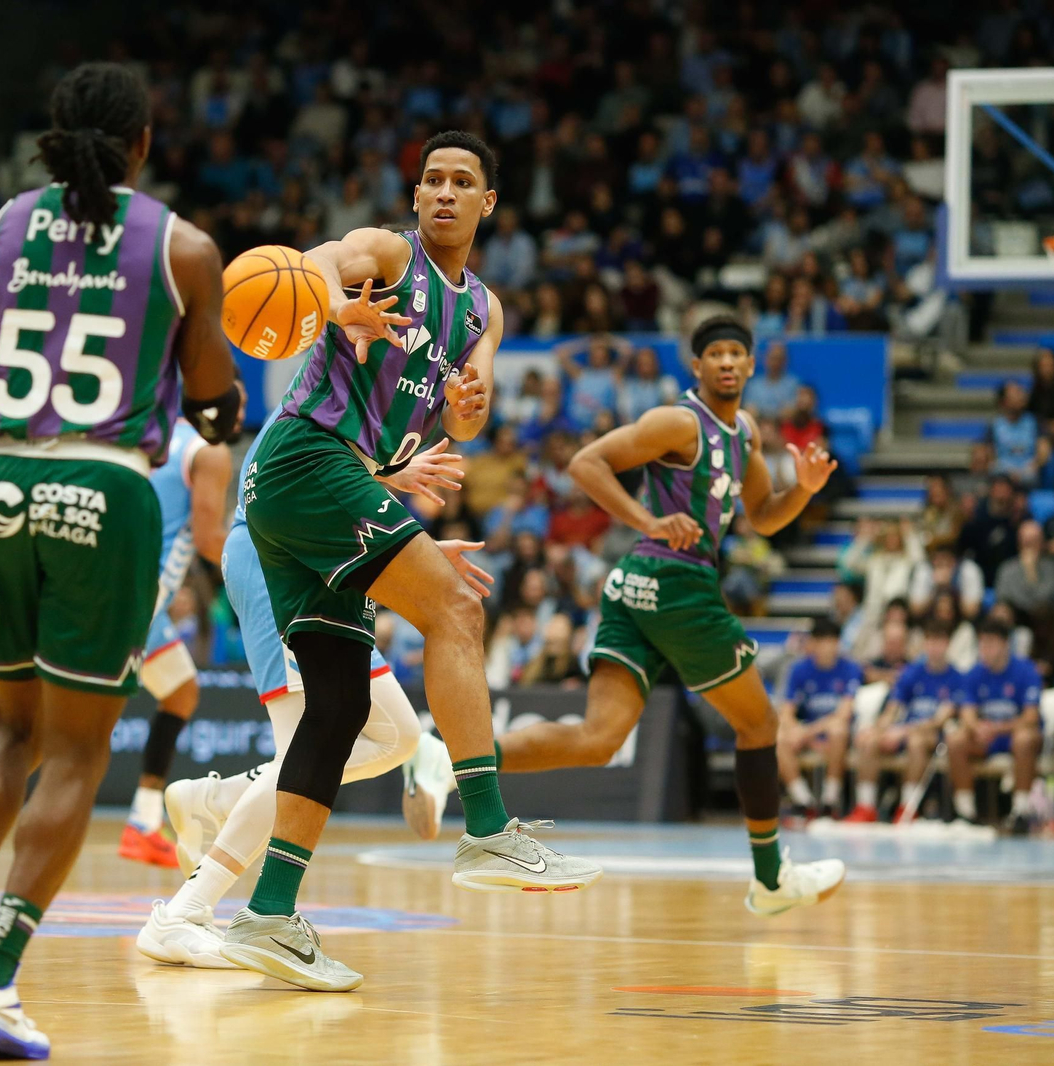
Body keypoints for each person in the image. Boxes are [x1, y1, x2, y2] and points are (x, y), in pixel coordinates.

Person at [0, 62, 239, 1059]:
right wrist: (208, 401)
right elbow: (216, 403)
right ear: (142, 143)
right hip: (107, 487)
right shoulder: (183, 247)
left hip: (2, 478)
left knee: (8, 731)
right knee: (80, 750)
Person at [225, 130, 601, 994]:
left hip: (316, 488)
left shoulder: (484, 310)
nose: (441, 192)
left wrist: (470, 404)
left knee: (339, 705)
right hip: (308, 459)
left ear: (488, 203)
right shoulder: (391, 258)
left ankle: (270, 915)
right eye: (431, 178)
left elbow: (465, 418)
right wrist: (334, 301)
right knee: (457, 608)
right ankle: (489, 827)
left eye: (461, 182)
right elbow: (324, 253)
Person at [433, 315, 845, 915]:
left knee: (598, 740)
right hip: (676, 582)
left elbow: (762, 513)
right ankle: (771, 880)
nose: (727, 362)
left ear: (752, 367)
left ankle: (448, 765)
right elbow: (586, 465)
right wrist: (648, 521)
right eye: (715, 354)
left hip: (633, 588)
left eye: (737, 353)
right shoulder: (679, 422)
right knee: (759, 726)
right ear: (697, 367)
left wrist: (803, 490)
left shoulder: (746, 433)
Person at [135, 408, 472, 969]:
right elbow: (299, 478)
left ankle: (217, 799)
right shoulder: (337, 375)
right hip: (280, 558)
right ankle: (183, 913)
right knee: (304, 753)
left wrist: (397, 502)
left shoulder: (367, 404)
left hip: (315, 557)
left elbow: (332, 482)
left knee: (398, 736)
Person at [115, 416, 234, 866]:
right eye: (235, 401)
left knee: (181, 691)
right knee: (76, 716)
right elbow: (207, 542)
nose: (239, 412)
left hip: (136, 594)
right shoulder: (206, 450)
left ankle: (144, 823)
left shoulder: (150, 432)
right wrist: (274, 564)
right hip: (134, 600)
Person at [845, 619, 959, 823]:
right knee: (870, 740)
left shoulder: (956, 677)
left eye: (939, 642)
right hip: (903, 731)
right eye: (930, 641)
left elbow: (941, 720)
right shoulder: (911, 673)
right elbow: (893, 709)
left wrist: (902, 731)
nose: (934, 647)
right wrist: (878, 729)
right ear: (925, 644)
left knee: (917, 741)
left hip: (933, 737)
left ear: (947, 644)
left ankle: (907, 808)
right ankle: (866, 807)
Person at [947, 618, 1044, 833]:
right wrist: (977, 728)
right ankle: (966, 812)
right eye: (981, 643)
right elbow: (967, 713)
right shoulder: (974, 672)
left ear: (1005, 644)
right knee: (956, 741)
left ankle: (1021, 811)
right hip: (988, 737)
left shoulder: (1027, 671)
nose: (984, 649)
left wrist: (997, 728)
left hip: (1013, 735)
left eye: (990, 643)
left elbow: (1030, 717)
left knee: (1024, 738)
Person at [777, 617, 864, 819]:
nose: (828, 648)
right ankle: (802, 801)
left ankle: (829, 802)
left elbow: (844, 713)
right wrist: (800, 732)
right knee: (779, 738)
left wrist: (807, 734)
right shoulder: (798, 669)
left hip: (837, 735)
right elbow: (786, 712)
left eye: (833, 642)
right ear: (813, 644)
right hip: (809, 733)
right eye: (823, 641)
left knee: (838, 729)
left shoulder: (850, 669)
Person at [742, 341, 800, 421]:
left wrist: (763, 414)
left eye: (779, 358)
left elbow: (790, 412)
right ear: (765, 359)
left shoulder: (793, 384)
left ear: (785, 361)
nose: (776, 362)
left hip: (783, 429)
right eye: (772, 358)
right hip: (758, 427)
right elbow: (750, 410)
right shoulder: (754, 385)